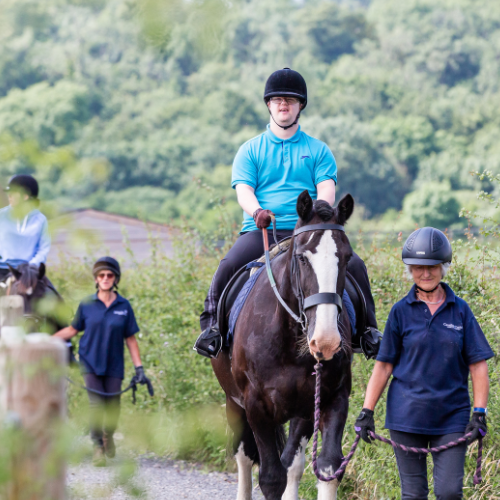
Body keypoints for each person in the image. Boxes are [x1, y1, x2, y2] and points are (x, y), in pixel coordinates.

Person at [195, 67, 381, 358]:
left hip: (308, 231)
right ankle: (212, 330)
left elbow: (326, 189)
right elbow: (243, 189)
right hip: (263, 230)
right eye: (278, 99)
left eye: (291, 100)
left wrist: (319, 217)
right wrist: (257, 211)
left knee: (355, 266)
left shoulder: (318, 150)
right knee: (229, 264)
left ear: (300, 106)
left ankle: (368, 331)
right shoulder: (250, 150)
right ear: (269, 104)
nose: (284, 104)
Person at [354, 227, 494, 500]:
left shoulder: (461, 310)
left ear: (443, 268)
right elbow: (383, 366)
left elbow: (478, 366)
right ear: (410, 270)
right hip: (406, 416)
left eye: (432, 267)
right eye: (419, 267)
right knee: (414, 494)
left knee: (450, 492)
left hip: (451, 417)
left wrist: (479, 413)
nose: (426, 273)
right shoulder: (399, 312)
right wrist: (366, 411)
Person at [54, 256, 152, 466]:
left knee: (113, 406)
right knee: (96, 405)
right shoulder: (87, 304)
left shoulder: (124, 306)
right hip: (89, 363)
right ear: (96, 279)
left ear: (115, 278)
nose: (105, 278)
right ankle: (98, 446)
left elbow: (131, 339)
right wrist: (46, 339)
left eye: (109, 275)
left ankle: (109, 435)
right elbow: (73, 330)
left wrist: (139, 368)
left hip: (114, 364)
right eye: (101, 275)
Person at [0, 174, 50, 281]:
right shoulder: (1, 216)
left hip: (29, 272)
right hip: (2, 269)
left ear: (25, 196)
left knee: (52, 295)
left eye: (13, 193)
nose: (9, 196)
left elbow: (43, 249)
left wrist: (29, 268)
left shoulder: (41, 220)